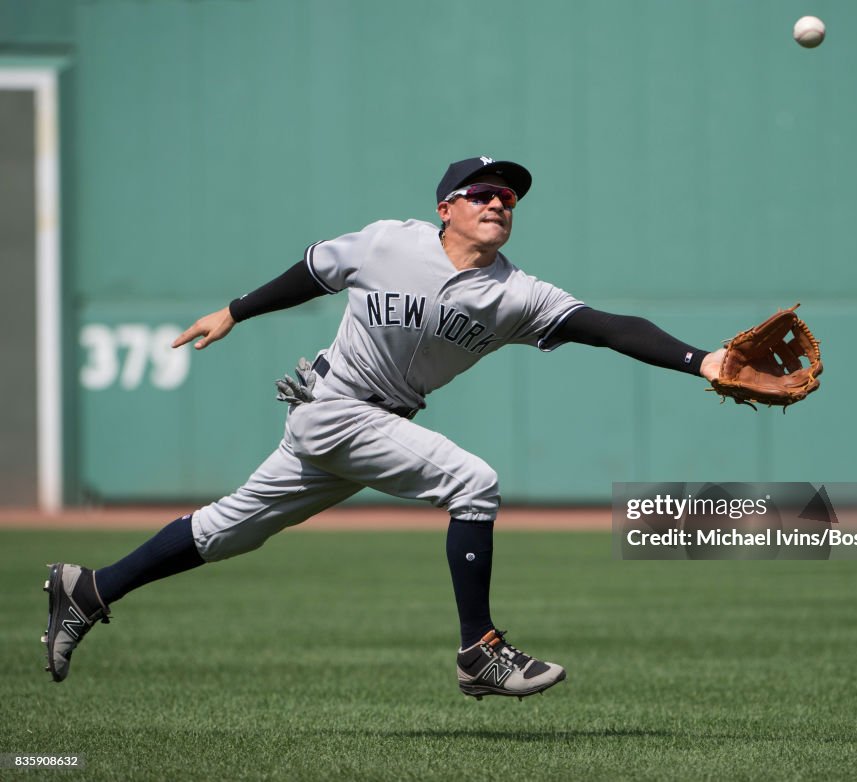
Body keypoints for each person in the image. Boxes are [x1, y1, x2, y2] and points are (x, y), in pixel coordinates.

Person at [42, 156, 725, 698]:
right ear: (446, 207)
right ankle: (478, 651)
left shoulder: (518, 295)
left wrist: (704, 361)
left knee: (227, 531)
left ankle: (90, 588)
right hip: (333, 406)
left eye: (508, 199)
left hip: (369, 424)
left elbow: (609, 328)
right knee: (473, 482)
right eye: (482, 192)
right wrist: (234, 310)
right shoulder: (389, 243)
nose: (497, 204)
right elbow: (314, 271)